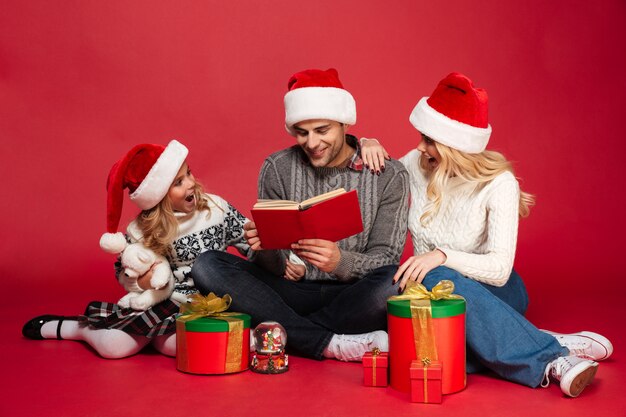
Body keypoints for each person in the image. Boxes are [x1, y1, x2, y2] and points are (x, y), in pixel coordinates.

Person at [359, 72, 613, 397]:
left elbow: (499, 268)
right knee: (444, 351)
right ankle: (536, 337)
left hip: (497, 291)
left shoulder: (499, 184)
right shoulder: (414, 164)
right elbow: (379, 179)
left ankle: (553, 359)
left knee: (436, 279)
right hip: (440, 301)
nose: (419, 146)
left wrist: (442, 256)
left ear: (456, 147)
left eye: (429, 140)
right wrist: (366, 143)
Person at [191, 68, 410, 362]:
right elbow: (272, 266)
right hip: (288, 291)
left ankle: (283, 332)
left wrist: (339, 261)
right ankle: (330, 342)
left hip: (351, 295)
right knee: (207, 265)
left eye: (322, 131)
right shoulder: (277, 167)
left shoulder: (389, 174)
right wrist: (266, 247)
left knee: (393, 284)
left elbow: (386, 259)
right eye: (301, 132)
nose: (312, 143)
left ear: (344, 123)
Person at [22, 140, 251, 358]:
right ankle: (77, 328)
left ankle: (152, 337)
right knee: (114, 348)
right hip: (164, 300)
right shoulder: (140, 229)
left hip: (210, 302)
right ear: (159, 196)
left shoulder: (216, 208)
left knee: (186, 345)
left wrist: (278, 255)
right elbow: (124, 272)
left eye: (188, 173)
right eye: (178, 182)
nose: (191, 183)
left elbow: (251, 243)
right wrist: (143, 281)